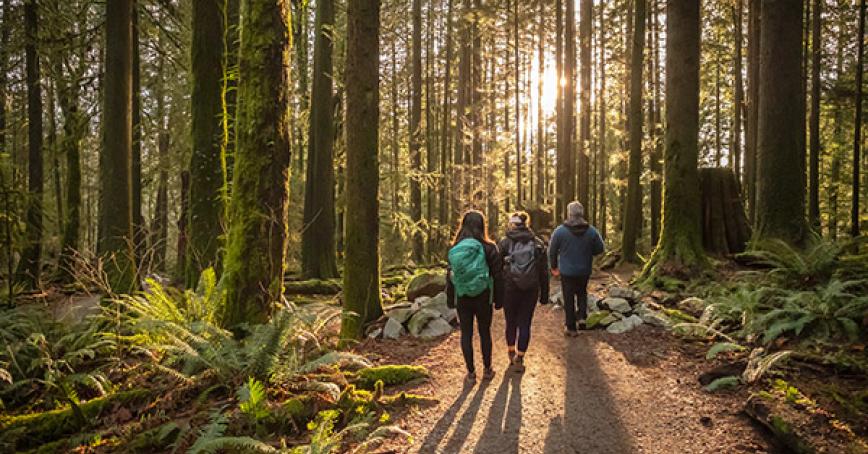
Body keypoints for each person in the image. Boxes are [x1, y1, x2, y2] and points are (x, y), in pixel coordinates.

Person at [446, 210, 504, 382]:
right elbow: (498, 275)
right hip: (483, 296)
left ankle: (470, 373)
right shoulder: (490, 248)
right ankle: (487, 369)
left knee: (466, 334)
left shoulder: (455, 249)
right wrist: (499, 300)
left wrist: (450, 300)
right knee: (485, 332)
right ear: (482, 226)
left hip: (462, 296)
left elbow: (450, 276)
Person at [497, 212, 549, 373]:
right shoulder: (537, 243)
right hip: (531, 289)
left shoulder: (504, 243)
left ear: (512, 224)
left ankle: (511, 352)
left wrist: (497, 295)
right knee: (525, 322)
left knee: (510, 322)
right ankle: (520, 357)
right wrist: (544, 295)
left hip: (509, 288)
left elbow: (497, 270)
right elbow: (543, 271)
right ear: (527, 223)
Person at [548, 201, 605, 336]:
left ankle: (571, 327)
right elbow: (600, 249)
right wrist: (588, 251)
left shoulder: (560, 231)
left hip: (566, 271)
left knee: (568, 297)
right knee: (582, 293)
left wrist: (554, 267)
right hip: (584, 269)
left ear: (569, 213)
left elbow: (552, 250)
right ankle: (582, 317)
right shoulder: (591, 231)